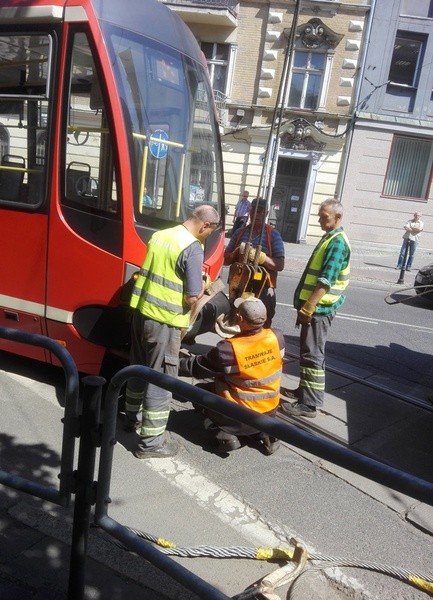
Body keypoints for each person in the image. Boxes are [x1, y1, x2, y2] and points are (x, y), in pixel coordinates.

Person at [125, 204, 220, 459]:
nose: (207, 237)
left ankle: (130, 418)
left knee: (137, 368)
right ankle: (150, 444)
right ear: (205, 226)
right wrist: (205, 285)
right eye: (209, 232)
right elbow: (191, 298)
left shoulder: (161, 235)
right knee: (161, 379)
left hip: (141, 312)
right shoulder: (192, 248)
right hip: (164, 322)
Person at [179, 297, 285, 455]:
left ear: (240, 318)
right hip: (270, 410)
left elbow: (196, 367)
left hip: (239, 416)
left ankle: (225, 434)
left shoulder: (229, 349)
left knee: (199, 392)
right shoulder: (277, 337)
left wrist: (169, 362)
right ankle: (264, 433)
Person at [279, 198, 351, 419]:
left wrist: (309, 306)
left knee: (313, 355)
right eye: (319, 216)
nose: (320, 220)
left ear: (338, 217)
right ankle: (305, 391)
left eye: (324, 217)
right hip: (316, 309)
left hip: (319, 309)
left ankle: (309, 404)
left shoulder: (337, 242)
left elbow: (326, 280)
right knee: (309, 353)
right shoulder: (330, 237)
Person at [224, 197, 285, 327]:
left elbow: (279, 265)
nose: (256, 215)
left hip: (264, 287)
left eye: (260, 211)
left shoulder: (273, 235)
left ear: (266, 213)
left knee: (262, 321)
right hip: (239, 285)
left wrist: (261, 258)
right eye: (253, 211)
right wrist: (236, 252)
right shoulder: (239, 233)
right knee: (237, 319)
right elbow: (225, 259)